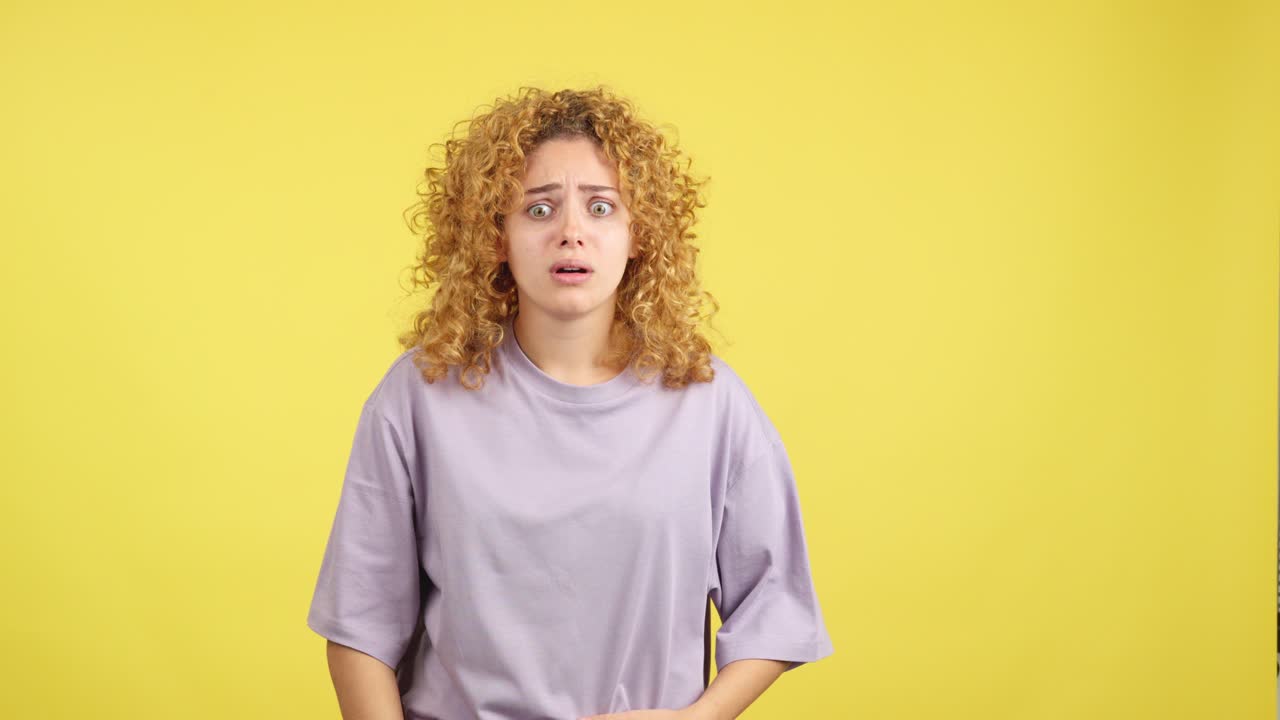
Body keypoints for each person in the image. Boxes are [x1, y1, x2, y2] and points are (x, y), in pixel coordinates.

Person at [306, 85, 834, 720]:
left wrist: (699, 718)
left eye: (602, 207)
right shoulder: (419, 394)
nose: (571, 233)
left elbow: (775, 605)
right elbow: (359, 626)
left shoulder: (710, 402)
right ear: (494, 236)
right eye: (538, 210)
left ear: (641, 236)